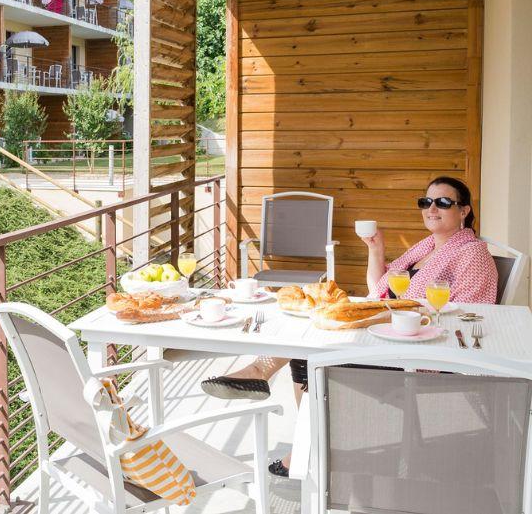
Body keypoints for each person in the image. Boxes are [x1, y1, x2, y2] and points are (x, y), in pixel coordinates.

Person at [199, 176, 497, 477]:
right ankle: (301, 432)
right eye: (426, 201)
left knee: (311, 350)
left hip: (418, 353)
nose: (432, 208)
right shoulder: (427, 246)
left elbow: (467, 315)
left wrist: (392, 316)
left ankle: (302, 439)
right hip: (394, 335)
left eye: (443, 202)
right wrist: (375, 249)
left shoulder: (472, 253)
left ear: (464, 211)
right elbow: (379, 289)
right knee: (312, 338)